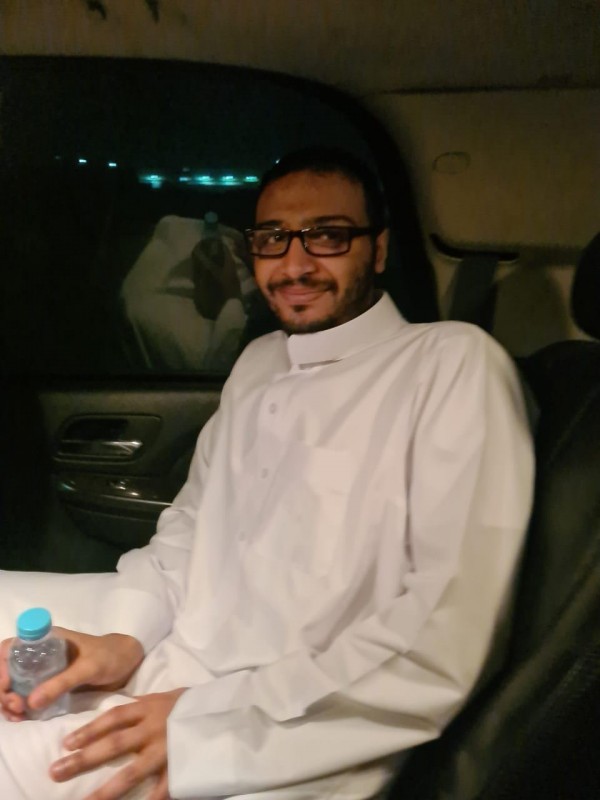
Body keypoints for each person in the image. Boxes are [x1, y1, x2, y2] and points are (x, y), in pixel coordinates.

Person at [0, 147, 534, 800]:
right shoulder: (260, 361)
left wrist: (201, 720)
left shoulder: (453, 365)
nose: (295, 263)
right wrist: (123, 638)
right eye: (273, 238)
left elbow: (443, 632)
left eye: (328, 236)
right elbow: (190, 526)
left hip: (283, 732)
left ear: (379, 249)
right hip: (177, 659)